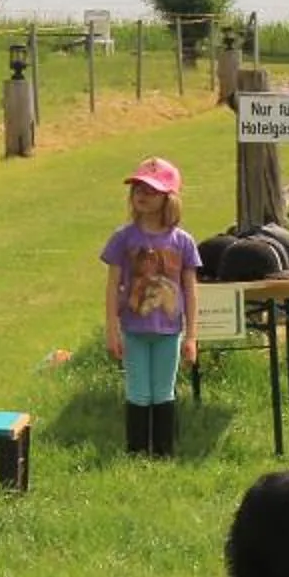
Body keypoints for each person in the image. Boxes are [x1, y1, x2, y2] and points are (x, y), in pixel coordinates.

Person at [100, 158, 200, 458]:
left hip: (169, 331)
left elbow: (190, 289)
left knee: (163, 393)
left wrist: (192, 336)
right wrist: (112, 329)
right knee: (138, 393)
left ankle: (163, 453)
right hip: (133, 329)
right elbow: (112, 286)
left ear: (169, 198)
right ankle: (137, 453)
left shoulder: (183, 242)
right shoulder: (123, 238)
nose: (142, 195)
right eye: (138, 188)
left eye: (152, 190)